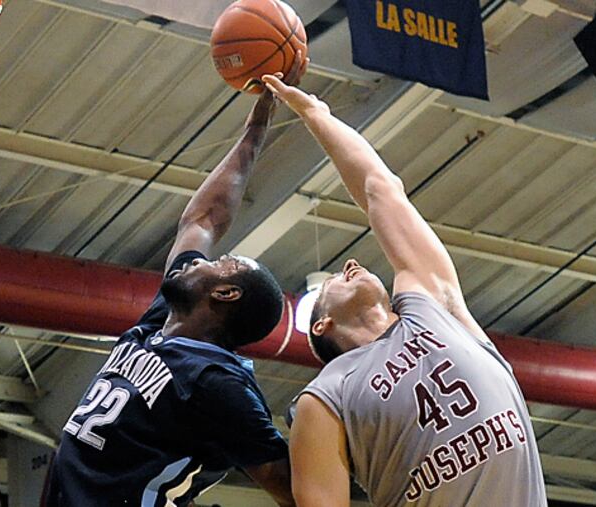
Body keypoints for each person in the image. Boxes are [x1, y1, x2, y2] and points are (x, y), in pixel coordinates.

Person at [262, 74, 547, 507]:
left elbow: (381, 189)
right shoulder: (324, 398)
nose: (352, 264)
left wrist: (316, 114)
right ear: (321, 323)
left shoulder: (431, 302)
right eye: (339, 277)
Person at [43, 56, 307, 507]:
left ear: (225, 294)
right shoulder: (160, 323)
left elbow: (296, 490)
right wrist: (257, 125)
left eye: (220, 263)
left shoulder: (219, 383)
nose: (201, 259)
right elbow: (203, 218)